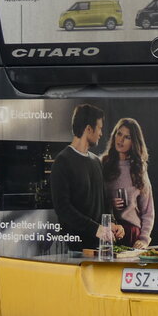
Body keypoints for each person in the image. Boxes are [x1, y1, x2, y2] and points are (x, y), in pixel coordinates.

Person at [50, 103, 123, 251]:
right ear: (89, 129)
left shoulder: (96, 161)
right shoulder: (62, 161)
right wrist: (96, 229)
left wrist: (112, 224)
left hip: (100, 247)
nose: (101, 133)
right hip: (74, 250)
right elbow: (63, 209)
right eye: (100, 128)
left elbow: (104, 202)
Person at [101, 116, 155, 249]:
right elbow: (94, 201)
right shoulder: (102, 163)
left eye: (127, 137)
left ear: (134, 142)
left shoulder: (139, 169)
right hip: (107, 231)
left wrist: (143, 239)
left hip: (131, 234)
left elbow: (148, 210)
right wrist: (109, 203)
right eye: (119, 134)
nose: (121, 140)